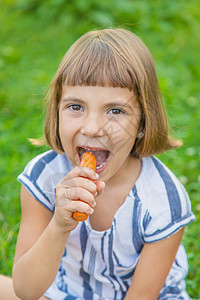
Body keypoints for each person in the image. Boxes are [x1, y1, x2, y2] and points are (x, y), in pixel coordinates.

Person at [2, 28, 195, 299]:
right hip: (68, 291)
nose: (92, 128)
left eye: (115, 111)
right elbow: (25, 290)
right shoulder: (43, 178)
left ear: (143, 122)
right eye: (76, 107)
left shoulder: (164, 202)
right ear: (57, 111)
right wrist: (59, 225)